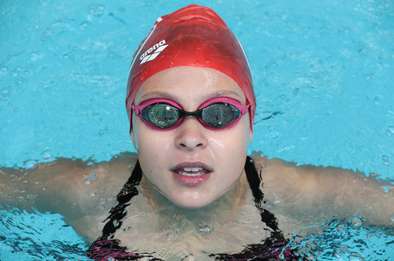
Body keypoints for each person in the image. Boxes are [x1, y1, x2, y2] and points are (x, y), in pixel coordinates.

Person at [1, 4, 393, 261]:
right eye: (162, 112)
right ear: (132, 126)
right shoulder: (87, 193)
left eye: (220, 113)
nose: (191, 136)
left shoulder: (295, 196)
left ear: (250, 123)